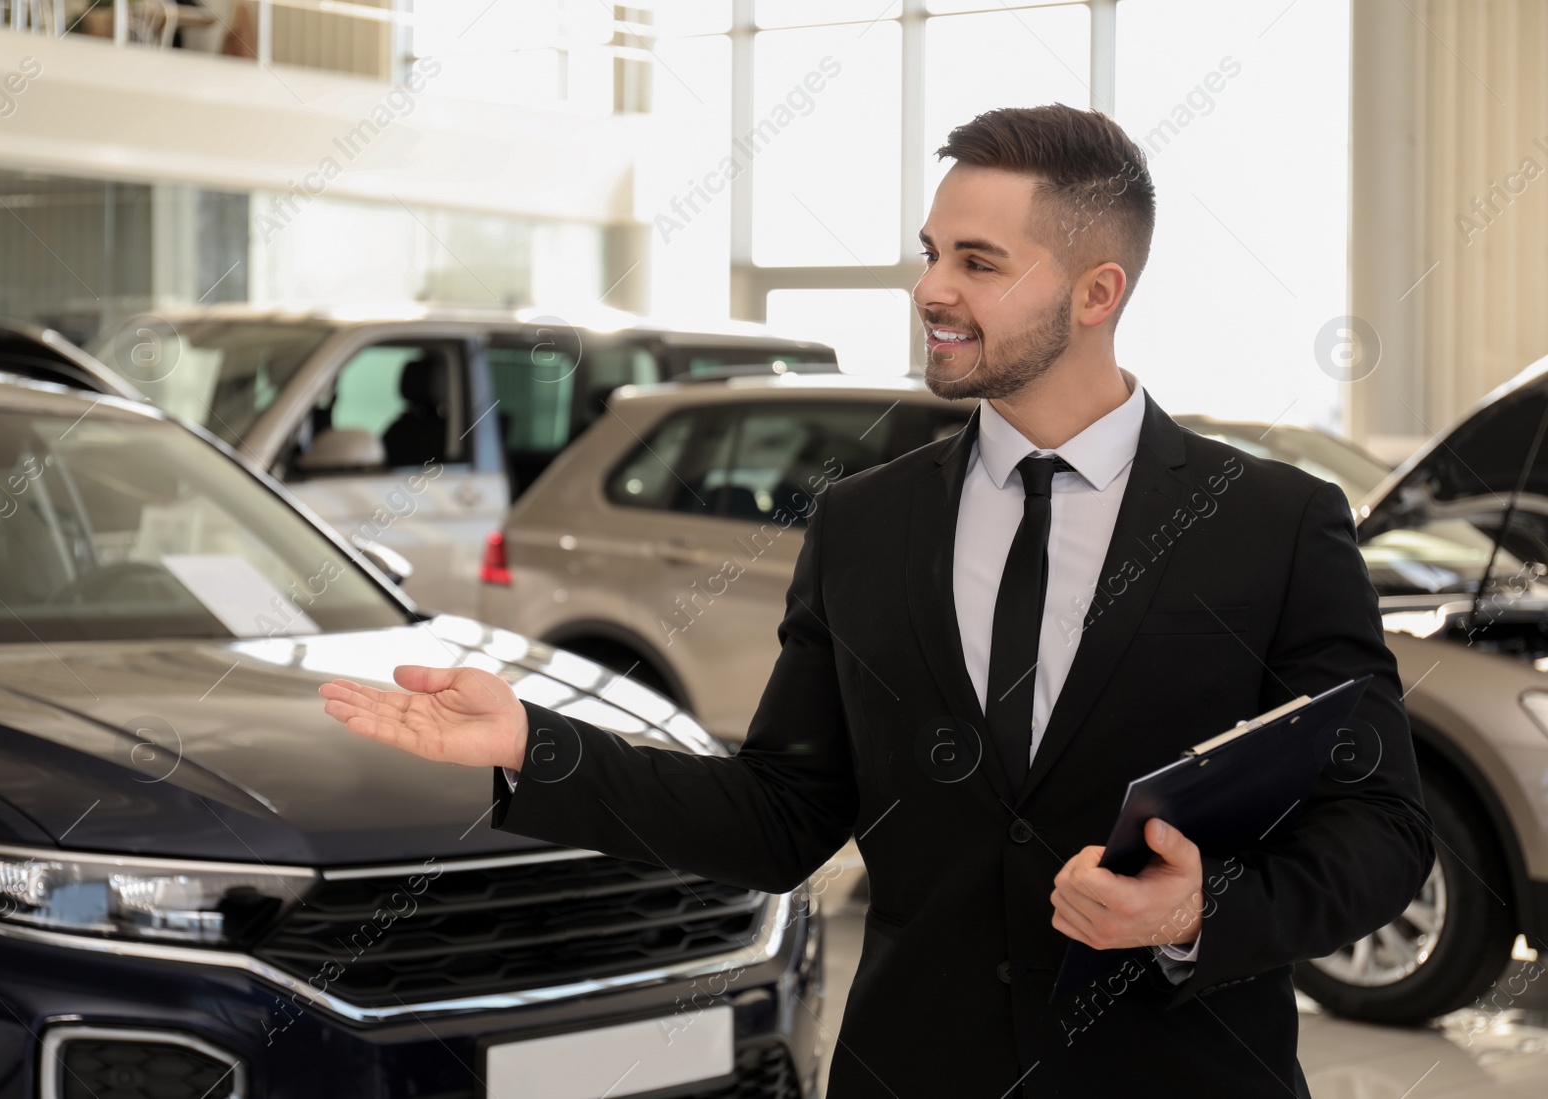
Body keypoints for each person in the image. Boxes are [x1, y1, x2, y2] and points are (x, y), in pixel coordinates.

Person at [319, 104, 1434, 1098]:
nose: (932, 291)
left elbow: (1382, 827)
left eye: (979, 262)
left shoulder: (1273, 522)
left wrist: (1201, 910)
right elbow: (782, 816)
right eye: (931, 252)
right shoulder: (863, 522)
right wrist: (534, 741)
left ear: (1099, 292)